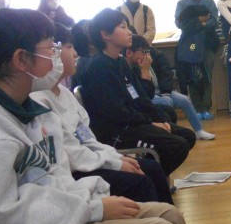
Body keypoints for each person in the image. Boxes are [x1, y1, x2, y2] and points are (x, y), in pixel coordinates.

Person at [0, 8, 194, 224]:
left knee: (170, 216)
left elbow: (59, 179)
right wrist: (93, 209)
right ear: (21, 59)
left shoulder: (35, 112)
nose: (58, 55)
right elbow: (5, 218)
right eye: (51, 48)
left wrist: (94, 200)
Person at [30, 23, 175, 205]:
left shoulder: (65, 93)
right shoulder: (39, 100)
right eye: (67, 47)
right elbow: (70, 152)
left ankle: (168, 218)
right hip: (79, 169)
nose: (75, 53)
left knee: (152, 167)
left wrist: (115, 157)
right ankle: (158, 218)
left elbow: (87, 138)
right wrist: (115, 162)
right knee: (142, 180)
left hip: (92, 156)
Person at [78, 8, 196, 177]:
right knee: (177, 146)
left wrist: (160, 119)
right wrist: (150, 123)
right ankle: (149, 180)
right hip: (117, 132)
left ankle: (153, 178)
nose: (129, 32)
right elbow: (117, 112)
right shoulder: (99, 67)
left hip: (130, 123)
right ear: (106, 34)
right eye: (123, 27)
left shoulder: (120, 62)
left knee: (187, 135)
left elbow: (139, 97)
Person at [125, 34, 216, 141]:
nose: (146, 54)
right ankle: (170, 134)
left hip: (163, 90)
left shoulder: (156, 56)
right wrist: (144, 71)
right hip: (151, 96)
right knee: (166, 102)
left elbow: (166, 74)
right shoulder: (132, 66)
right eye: (143, 51)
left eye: (147, 51)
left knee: (184, 100)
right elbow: (144, 95)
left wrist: (166, 91)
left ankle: (199, 130)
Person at [175, 0, 219, 119]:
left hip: (208, 44)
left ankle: (206, 108)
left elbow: (214, 21)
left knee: (207, 75)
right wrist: (201, 21)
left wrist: (199, 23)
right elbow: (180, 24)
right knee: (192, 76)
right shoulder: (182, 3)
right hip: (191, 45)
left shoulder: (209, 2)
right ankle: (197, 109)